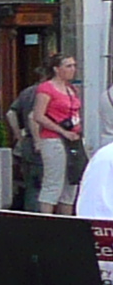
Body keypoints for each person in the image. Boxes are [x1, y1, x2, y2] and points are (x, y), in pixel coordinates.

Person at [27, 56, 85, 215]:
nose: (72, 69)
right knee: (53, 182)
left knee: (71, 183)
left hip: (73, 139)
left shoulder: (71, 89)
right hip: (53, 138)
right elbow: (38, 115)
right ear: (56, 69)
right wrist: (62, 131)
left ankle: (65, 220)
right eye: (68, 66)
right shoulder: (46, 88)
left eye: (74, 65)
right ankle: (46, 221)